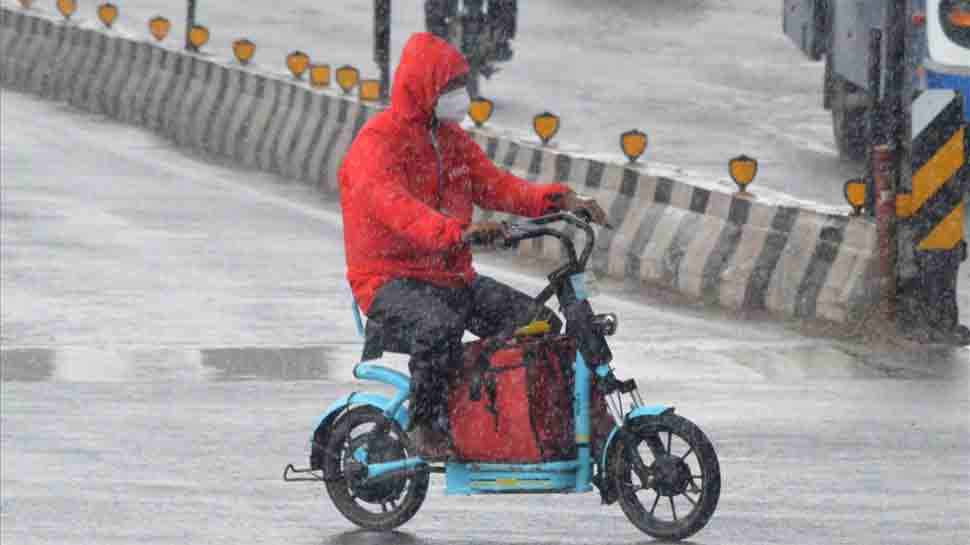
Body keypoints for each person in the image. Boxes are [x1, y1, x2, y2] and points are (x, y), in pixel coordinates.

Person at [338, 32, 607, 460]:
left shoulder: (451, 141)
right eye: (450, 87)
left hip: (451, 277)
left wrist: (562, 200)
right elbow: (396, 208)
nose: (460, 96)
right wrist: (456, 233)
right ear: (423, 88)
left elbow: (500, 187)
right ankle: (423, 425)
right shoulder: (378, 144)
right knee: (438, 324)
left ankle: (498, 415)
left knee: (537, 324)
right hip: (388, 282)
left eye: (462, 85)